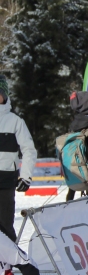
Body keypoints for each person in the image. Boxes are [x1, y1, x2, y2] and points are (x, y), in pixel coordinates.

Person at [0, 75, 36, 236]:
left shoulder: (15, 121)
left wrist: (25, 176)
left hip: (6, 181)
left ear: (5, 95)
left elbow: (29, 150)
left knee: (5, 227)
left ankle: (9, 261)